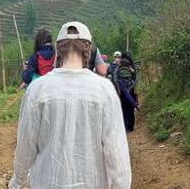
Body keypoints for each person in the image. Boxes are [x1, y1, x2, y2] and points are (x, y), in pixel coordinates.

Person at [10, 21, 131, 189]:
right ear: (88, 50)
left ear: (58, 50)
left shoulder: (38, 89)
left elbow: (26, 144)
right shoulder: (104, 90)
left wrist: (17, 181)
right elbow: (116, 150)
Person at [112, 51, 138, 132]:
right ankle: (130, 127)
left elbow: (115, 79)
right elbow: (135, 78)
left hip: (121, 91)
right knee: (130, 108)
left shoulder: (118, 67)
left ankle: (124, 127)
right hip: (131, 90)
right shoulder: (131, 67)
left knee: (123, 108)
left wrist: (118, 88)